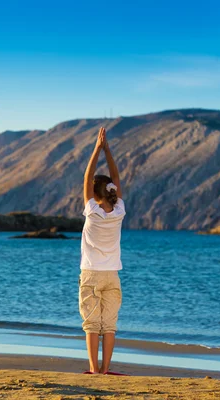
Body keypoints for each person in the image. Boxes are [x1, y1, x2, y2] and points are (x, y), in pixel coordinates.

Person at [79, 126, 126, 375]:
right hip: (112, 275)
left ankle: (93, 369)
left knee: (91, 325)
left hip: (91, 273)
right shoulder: (119, 212)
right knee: (108, 326)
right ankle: (106, 369)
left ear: (94, 194)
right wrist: (108, 151)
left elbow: (87, 178)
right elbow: (116, 178)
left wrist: (97, 149)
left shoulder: (92, 211)